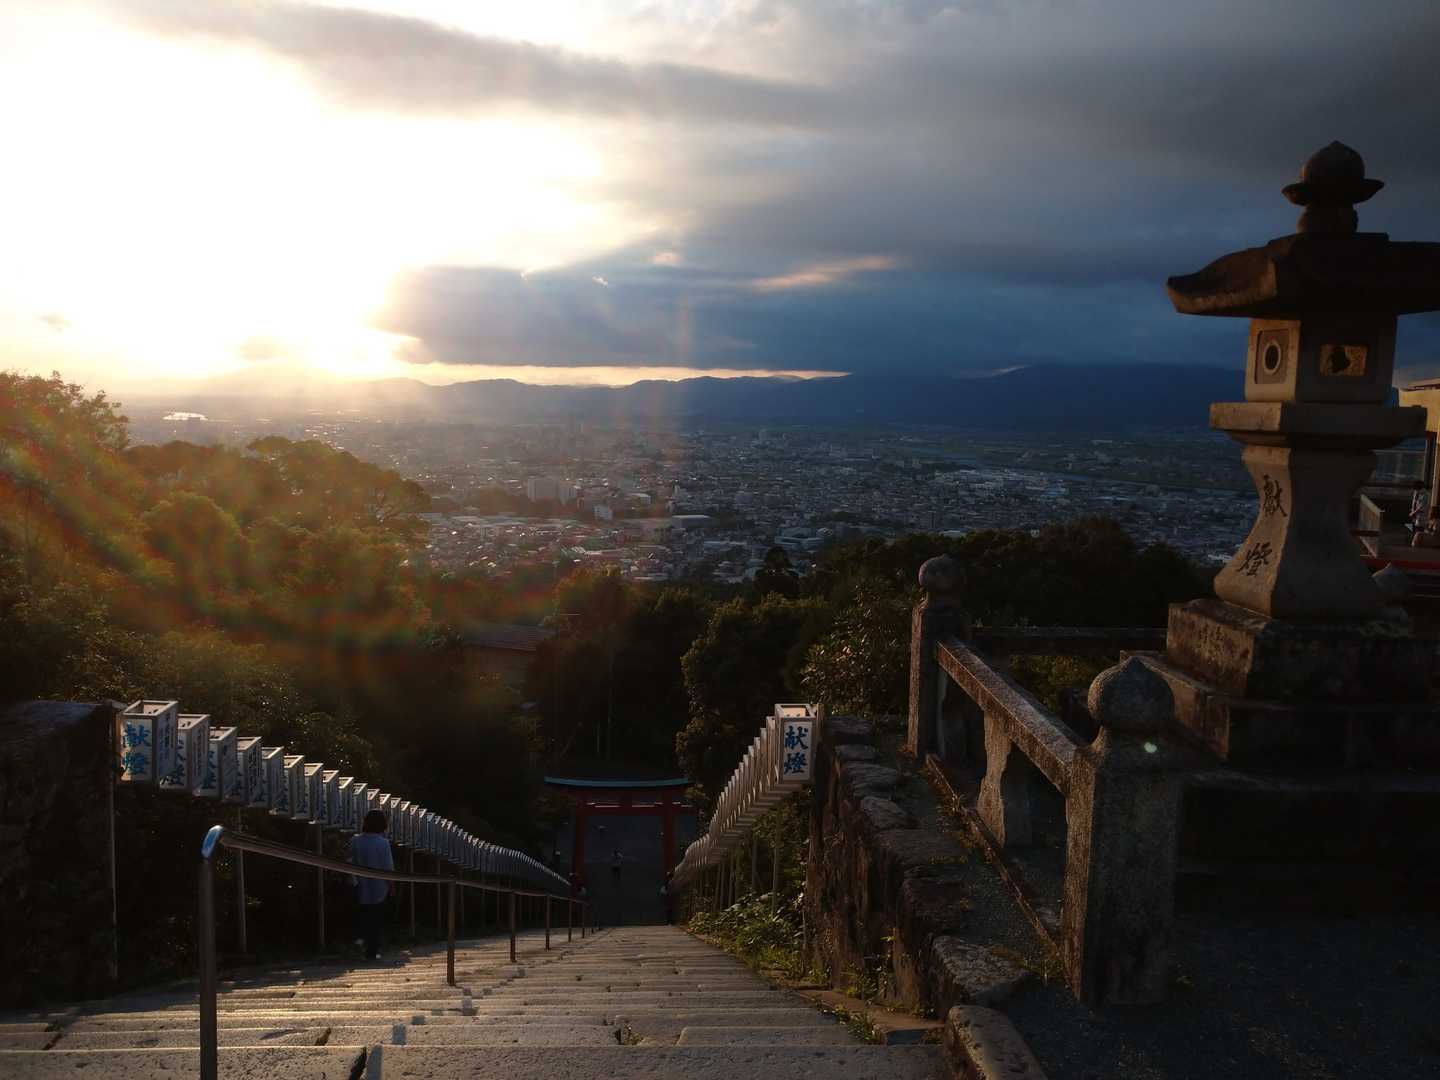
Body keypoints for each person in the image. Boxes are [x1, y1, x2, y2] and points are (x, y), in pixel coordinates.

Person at [348, 808, 394, 960]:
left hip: (359, 885)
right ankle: (372, 950)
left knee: (361, 917)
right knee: (376, 919)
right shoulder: (383, 843)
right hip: (379, 886)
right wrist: (391, 885)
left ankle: (359, 943)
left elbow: (349, 860)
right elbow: (388, 867)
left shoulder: (355, 840)